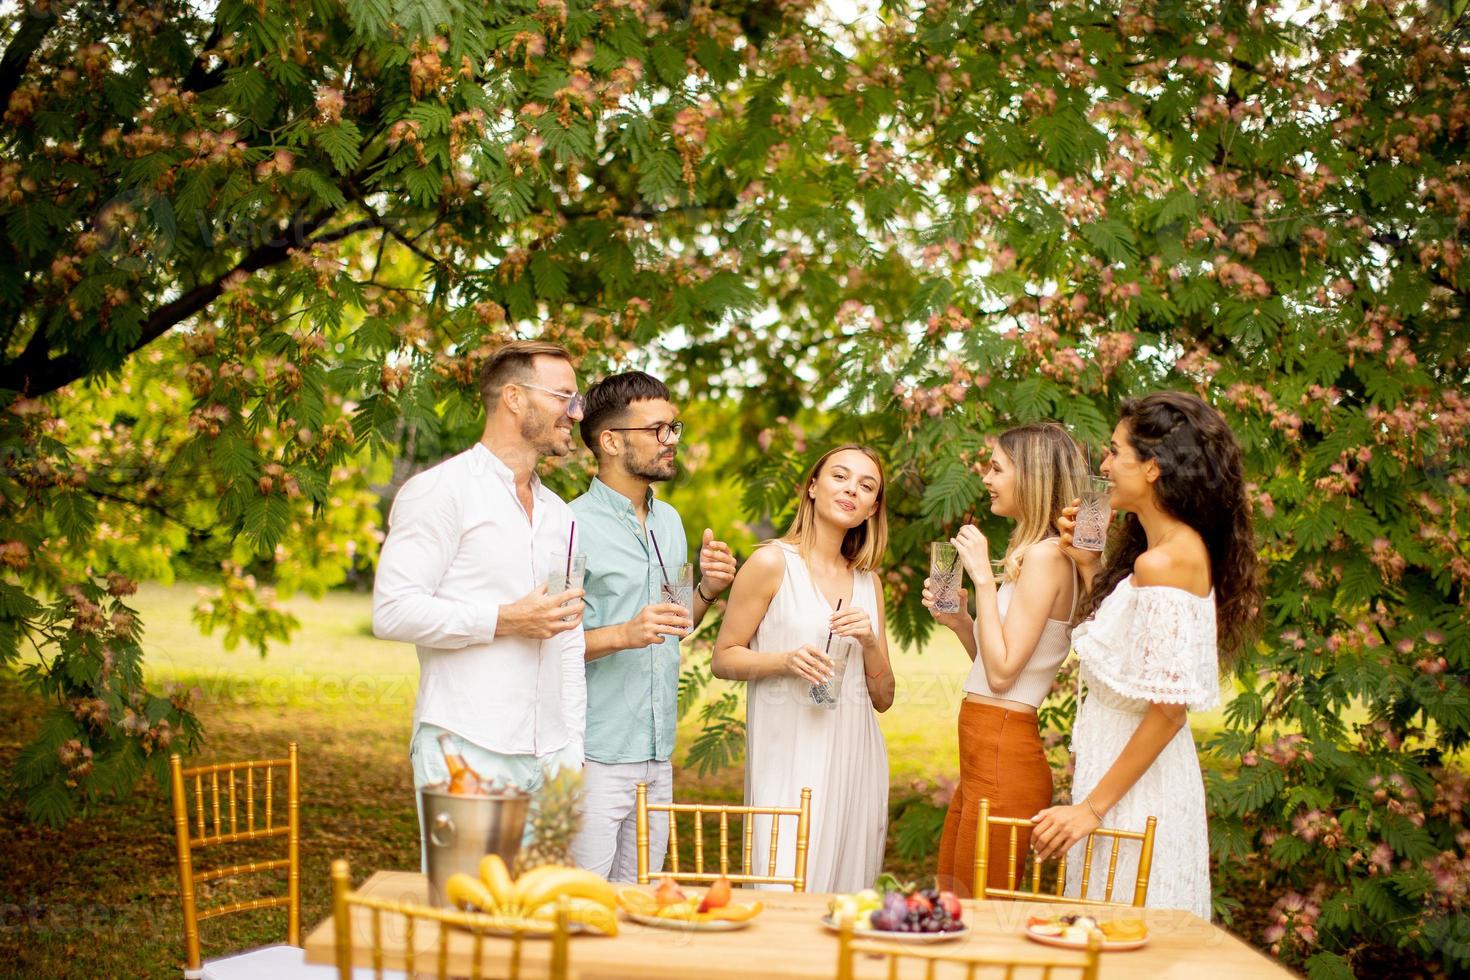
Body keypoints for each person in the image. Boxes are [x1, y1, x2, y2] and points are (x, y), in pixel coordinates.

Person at [1030, 392, 1260, 918]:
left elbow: (1168, 710)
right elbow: (1124, 650)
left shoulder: (1168, 562)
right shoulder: (1155, 554)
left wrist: (1089, 810)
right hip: (1116, 777)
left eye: (1114, 453)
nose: (1104, 466)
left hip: (1135, 794)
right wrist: (1089, 564)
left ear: (1153, 468)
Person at [372, 340, 589, 866]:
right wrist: (504, 620)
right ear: (514, 398)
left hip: (554, 758)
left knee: (541, 920)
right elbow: (392, 610)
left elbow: (567, 636)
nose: (576, 413)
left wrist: (572, 751)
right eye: (565, 396)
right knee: (465, 920)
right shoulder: (440, 492)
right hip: (466, 748)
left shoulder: (561, 515)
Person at [567, 371, 738, 882]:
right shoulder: (568, 527)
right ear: (611, 441)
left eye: (674, 428)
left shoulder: (671, 523)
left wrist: (708, 589)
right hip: (592, 756)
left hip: (657, 756)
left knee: (640, 903)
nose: (671, 442)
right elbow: (545, 644)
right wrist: (623, 632)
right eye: (658, 430)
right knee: (578, 909)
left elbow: (674, 621)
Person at [712, 445, 895, 892]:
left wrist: (870, 642)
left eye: (866, 486)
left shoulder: (868, 582)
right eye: (840, 476)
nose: (852, 489)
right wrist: (785, 660)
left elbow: (885, 697)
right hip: (788, 756)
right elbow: (723, 657)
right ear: (813, 486)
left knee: (846, 903)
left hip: (855, 758)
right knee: (783, 888)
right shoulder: (772, 563)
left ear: (872, 509)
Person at [923, 422, 1089, 897]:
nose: (988, 480)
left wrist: (981, 576)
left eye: (997, 469)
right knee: (953, 899)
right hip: (983, 755)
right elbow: (994, 665)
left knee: (976, 914)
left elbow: (1001, 675)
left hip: (1002, 753)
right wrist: (959, 621)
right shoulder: (1037, 555)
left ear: (1032, 476)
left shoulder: (1047, 557)